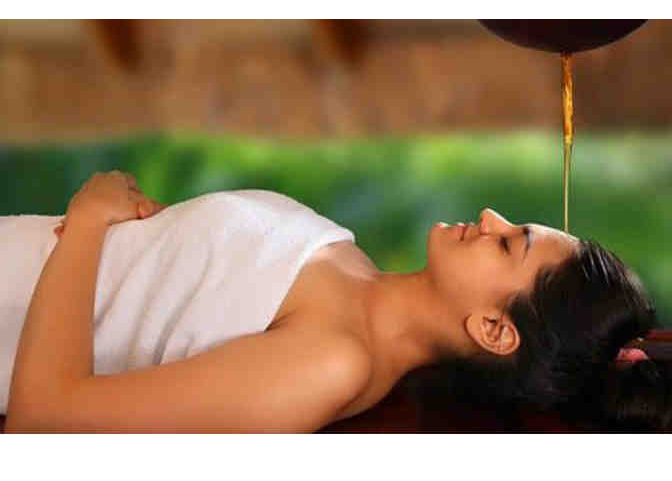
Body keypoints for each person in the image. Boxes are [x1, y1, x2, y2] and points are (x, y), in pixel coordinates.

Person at [1, 170, 669, 432]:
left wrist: (87, 221)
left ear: (495, 329)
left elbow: (44, 419)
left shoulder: (330, 363)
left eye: (508, 244)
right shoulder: (351, 263)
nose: (491, 217)